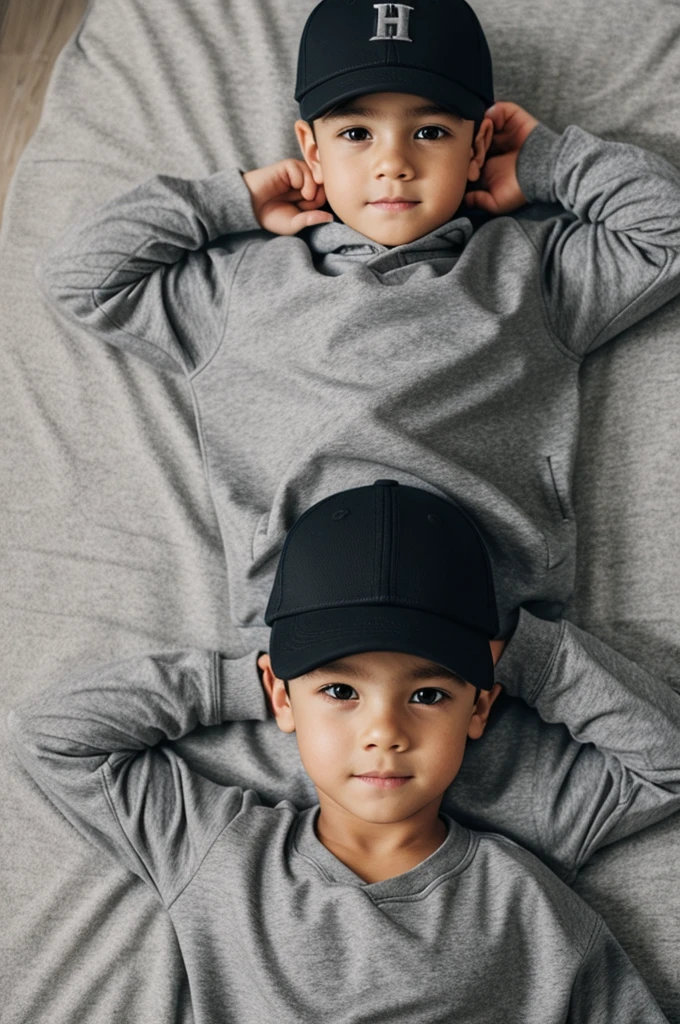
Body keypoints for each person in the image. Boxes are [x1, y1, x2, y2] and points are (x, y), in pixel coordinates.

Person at [34, 0, 680, 650]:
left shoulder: (533, 271)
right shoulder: (241, 287)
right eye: (355, 134)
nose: (393, 162)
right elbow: (81, 275)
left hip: (489, 639)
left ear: (479, 143)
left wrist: (544, 160)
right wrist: (231, 200)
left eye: (430, 132)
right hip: (311, 642)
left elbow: (668, 231)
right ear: (310, 149)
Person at [8, 480, 679, 1022]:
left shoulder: (526, 891)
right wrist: (235, 685)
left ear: (479, 707)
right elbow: (54, 737)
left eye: (427, 696)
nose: (383, 731)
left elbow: (666, 763)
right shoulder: (218, 851)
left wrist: (534, 659)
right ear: (282, 694)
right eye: (339, 689)